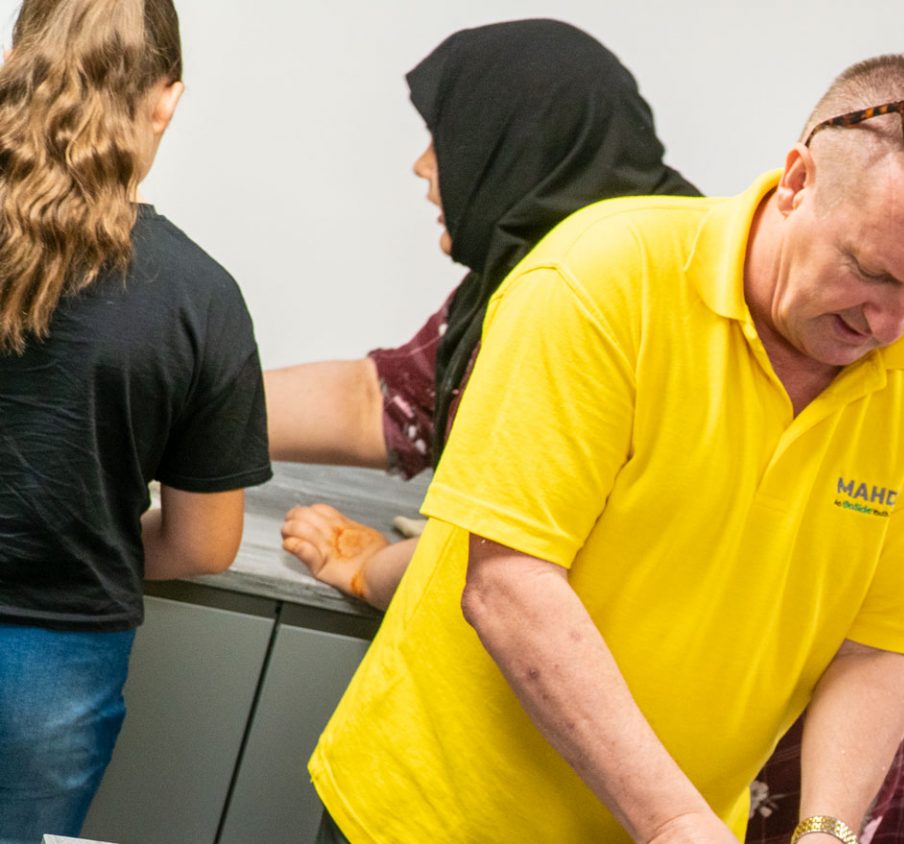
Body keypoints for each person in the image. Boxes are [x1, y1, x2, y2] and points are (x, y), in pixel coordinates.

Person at [306, 54, 904, 844]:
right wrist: (674, 823)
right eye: (871, 271)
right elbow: (509, 584)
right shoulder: (604, 281)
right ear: (797, 180)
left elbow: (878, 645)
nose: (892, 324)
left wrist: (824, 840)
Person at [0, 0, 270, 844]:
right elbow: (204, 541)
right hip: (54, 668)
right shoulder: (200, 296)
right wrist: (89, 535)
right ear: (167, 100)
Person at [268, 18, 698, 607]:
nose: (422, 165)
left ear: (512, 146)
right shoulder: (544, 255)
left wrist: (372, 569)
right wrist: (178, 404)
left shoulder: (613, 295)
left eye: (443, 140)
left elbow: (520, 539)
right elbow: (386, 403)